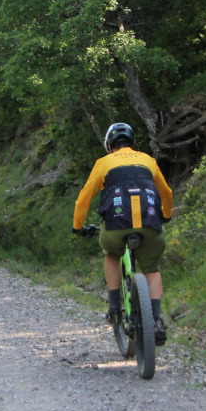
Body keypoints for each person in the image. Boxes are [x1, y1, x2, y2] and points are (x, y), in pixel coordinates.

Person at [72, 122, 172, 345]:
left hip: (116, 225)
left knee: (112, 254)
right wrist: (166, 215)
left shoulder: (103, 163)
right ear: (132, 144)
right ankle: (156, 319)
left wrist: (77, 227)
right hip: (150, 221)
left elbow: (83, 198)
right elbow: (166, 193)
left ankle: (115, 309)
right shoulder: (148, 160)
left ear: (110, 146)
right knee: (151, 269)